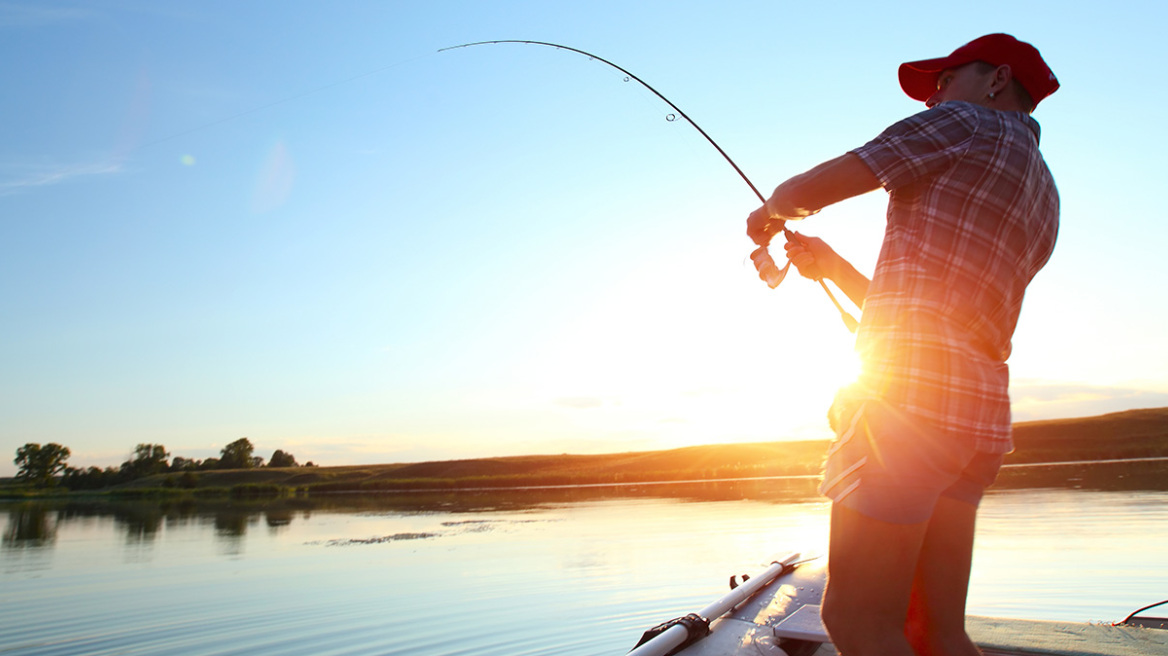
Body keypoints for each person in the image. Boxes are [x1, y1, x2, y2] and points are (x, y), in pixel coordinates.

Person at [745, 34, 1060, 656]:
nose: (934, 98)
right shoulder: (1045, 190)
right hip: (976, 419)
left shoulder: (963, 123)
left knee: (857, 620)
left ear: (997, 80)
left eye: (945, 81)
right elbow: (932, 312)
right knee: (936, 632)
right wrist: (833, 268)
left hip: (908, 411)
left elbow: (809, 191)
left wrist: (772, 212)